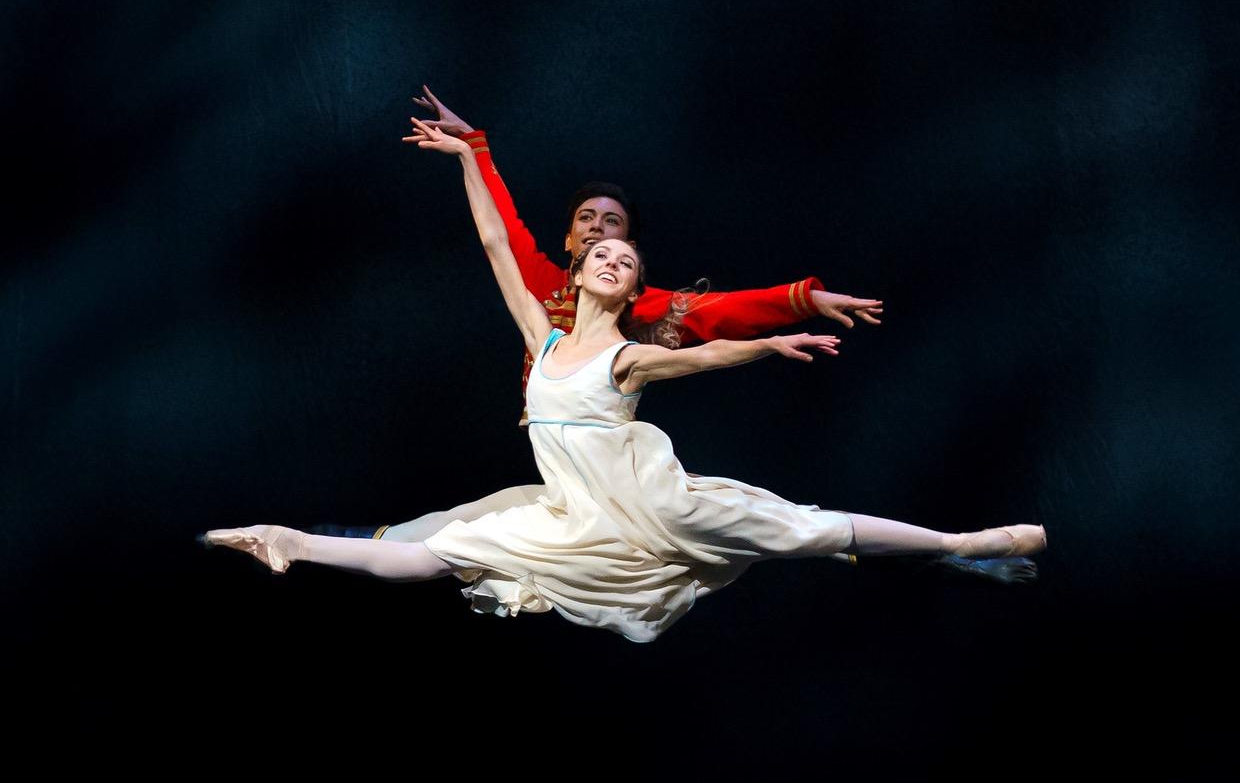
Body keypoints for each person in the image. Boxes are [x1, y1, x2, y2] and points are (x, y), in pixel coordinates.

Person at [201, 125, 1047, 644]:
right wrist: (471, 154)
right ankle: (293, 539)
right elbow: (499, 246)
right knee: (442, 547)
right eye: (597, 243)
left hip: (658, 502)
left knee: (805, 531)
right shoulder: (544, 326)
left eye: (624, 248)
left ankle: (959, 545)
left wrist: (783, 327)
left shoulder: (629, 350)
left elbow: (710, 344)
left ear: (632, 276)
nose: (608, 249)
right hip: (576, 511)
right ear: (577, 257)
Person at [309, 84, 885, 544]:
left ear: (631, 259)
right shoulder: (542, 285)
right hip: (556, 449)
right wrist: (473, 147)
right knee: (481, 523)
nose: (598, 231)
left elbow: (720, 316)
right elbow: (498, 231)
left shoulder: (638, 303)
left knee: (734, 525)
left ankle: (887, 544)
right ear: (569, 242)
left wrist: (803, 300)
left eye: (613, 226)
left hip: (607, 463)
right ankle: (375, 541)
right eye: (587, 220)